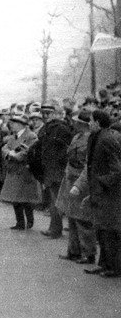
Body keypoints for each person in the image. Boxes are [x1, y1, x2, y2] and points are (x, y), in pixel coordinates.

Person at [81, 110, 121, 278]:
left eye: (90, 121)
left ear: (97, 122)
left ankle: (113, 268)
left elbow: (117, 169)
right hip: (99, 192)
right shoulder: (96, 137)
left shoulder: (107, 139)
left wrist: (102, 182)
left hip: (109, 194)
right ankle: (104, 264)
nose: (89, 124)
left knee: (109, 231)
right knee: (101, 229)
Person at [55, 110, 95, 264]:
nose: (74, 123)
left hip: (80, 181)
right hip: (70, 177)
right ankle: (73, 251)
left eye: (77, 121)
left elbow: (85, 163)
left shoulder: (89, 139)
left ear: (82, 124)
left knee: (82, 219)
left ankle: (88, 253)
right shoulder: (77, 137)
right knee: (72, 216)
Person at [35, 102, 74, 239]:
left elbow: (67, 149)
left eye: (48, 113)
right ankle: (54, 227)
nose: (45, 116)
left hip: (57, 169)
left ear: (56, 114)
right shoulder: (46, 128)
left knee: (56, 200)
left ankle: (56, 229)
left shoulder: (61, 128)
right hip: (49, 168)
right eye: (43, 113)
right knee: (53, 200)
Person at [0, 114, 42, 230]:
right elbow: (4, 148)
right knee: (15, 198)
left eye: (13, 123)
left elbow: (29, 151)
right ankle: (20, 222)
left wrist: (15, 155)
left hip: (25, 171)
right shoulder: (14, 137)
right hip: (14, 169)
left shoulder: (31, 136)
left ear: (20, 124)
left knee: (25, 199)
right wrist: (10, 153)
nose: (11, 125)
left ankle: (29, 220)